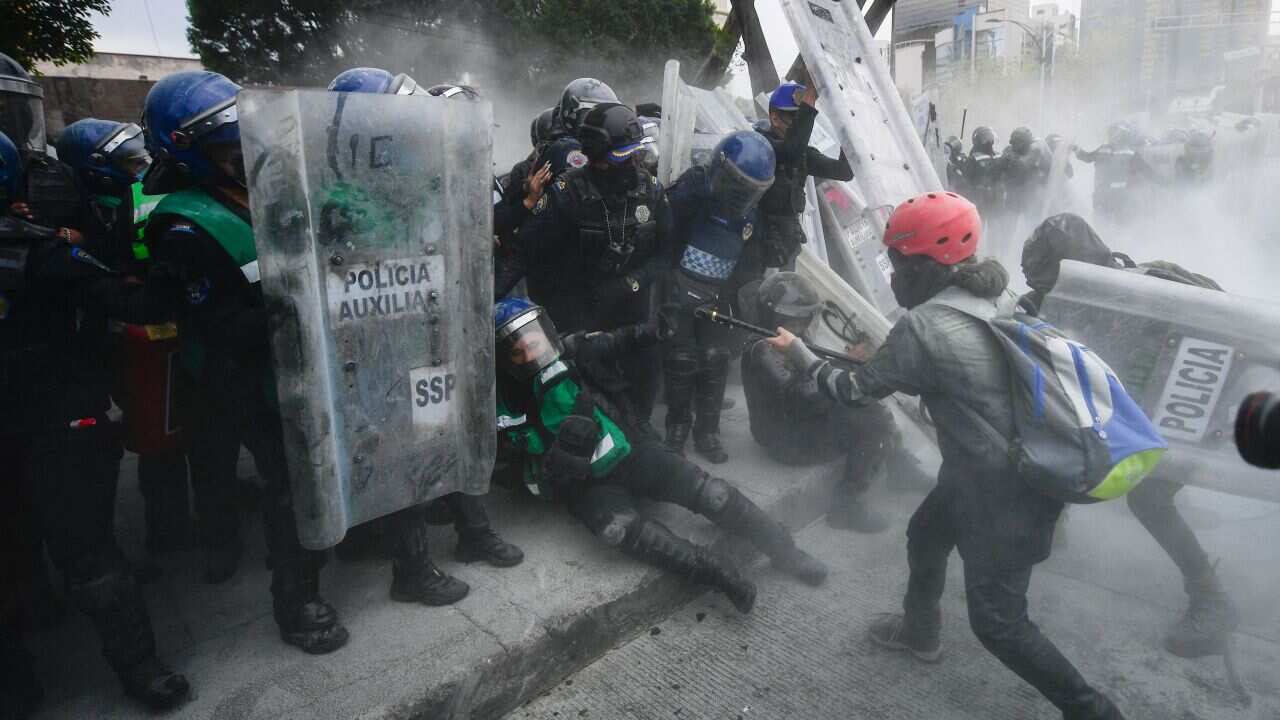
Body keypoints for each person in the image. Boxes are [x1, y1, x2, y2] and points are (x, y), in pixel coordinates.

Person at [766, 193, 1125, 720]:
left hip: (1005, 491)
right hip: (979, 470)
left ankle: (1094, 711)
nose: (893, 275)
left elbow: (851, 391)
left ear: (927, 264)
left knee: (999, 623)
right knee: (927, 534)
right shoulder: (997, 295)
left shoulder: (924, 327)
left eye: (898, 263)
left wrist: (799, 353)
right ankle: (919, 630)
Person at [142, 70, 349, 653]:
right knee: (270, 480)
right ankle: (295, 600)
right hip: (234, 375)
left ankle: (308, 558)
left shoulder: (263, 188)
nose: (243, 153)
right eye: (227, 147)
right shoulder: (183, 226)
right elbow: (218, 325)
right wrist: (296, 305)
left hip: (291, 360)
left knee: (300, 475)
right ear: (192, 151)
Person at [0, 129, 189, 712]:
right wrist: (174, 276)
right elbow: (132, 301)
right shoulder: (41, 252)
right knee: (90, 553)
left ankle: (24, 675)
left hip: (43, 421)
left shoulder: (41, 247)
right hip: (56, 423)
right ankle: (140, 668)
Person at [326, 67, 525, 606]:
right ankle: (411, 570)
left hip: (432, 334)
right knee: (399, 451)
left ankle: (473, 532)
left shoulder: (417, 182)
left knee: (446, 435)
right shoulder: (344, 199)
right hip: (382, 348)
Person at [494, 297, 828, 614]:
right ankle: (718, 573)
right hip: (587, 484)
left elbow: (618, 340)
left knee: (714, 494)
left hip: (633, 449)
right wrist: (551, 461)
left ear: (545, 332)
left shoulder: (575, 352)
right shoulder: (507, 403)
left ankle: (786, 551)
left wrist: (657, 329)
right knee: (616, 530)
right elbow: (512, 471)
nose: (530, 351)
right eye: (518, 350)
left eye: (533, 340)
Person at [1019, 213, 1238, 659]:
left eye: (1049, 285)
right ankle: (1051, 527)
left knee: (1148, 497)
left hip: (1204, 409)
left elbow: (1224, 342)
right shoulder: (1092, 294)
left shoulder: (1150, 291)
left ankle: (1212, 597)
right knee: (1062, 430)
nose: (1043, 295)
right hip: (1161, 410)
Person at [56, 118, 192, 561]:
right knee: (156, 436)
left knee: (184, 425)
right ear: (96, 170)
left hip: (165, 322)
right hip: (122, 338)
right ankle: (167, 536)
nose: (142, 166)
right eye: (130, 161)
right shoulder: (77, 216)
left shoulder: (145, 197)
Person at [507, 102, 672, 433]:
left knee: (642, 385)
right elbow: (524, 253)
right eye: (620, 156)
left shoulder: (650, 191)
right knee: (584, 404)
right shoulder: (566, 194)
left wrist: (631, 283)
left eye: (634, 153)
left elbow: (667, 255)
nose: (631, 163)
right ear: (596, 156)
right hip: (578, 314)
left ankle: (640, 436)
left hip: (631, 310)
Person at [741, 272, 916, 533]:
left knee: (868, 404)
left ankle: (901, 466)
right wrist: (848, 373)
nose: (801, 325)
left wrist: (847, 368)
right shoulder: (763, 349)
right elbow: (802, 396)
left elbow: (815, 370)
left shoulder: (787, 337)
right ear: (774, 316)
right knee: (872, 424)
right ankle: (846, 504)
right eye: (794, 320)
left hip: (799, 423)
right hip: (785, 441)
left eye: (803, 319)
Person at [662, 130, 775, 463]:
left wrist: (739, 303)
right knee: (681, 360)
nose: (741, 195)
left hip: (718, 297)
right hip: (680, 289)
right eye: (737, 185)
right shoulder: (692, 191)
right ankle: (677, 427)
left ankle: (707, 431)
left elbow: (749, 261)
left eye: (750, 190)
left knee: (715, 360)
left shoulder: (751, 214)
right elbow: (664, 234)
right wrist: (667, 287)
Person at [747, 81, 852, 271]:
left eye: (801, 119)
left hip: (784, 246)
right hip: (754, 245)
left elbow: (843, 172)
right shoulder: (761, 145)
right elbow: (789, 152)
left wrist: (848, 131)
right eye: (795, 120)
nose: (801, 128)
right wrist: (810, 97)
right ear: (775, 119)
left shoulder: (801, 153)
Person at [963, 126, 1002, 220]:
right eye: (987, 139)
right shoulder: (973, 158)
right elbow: (967, 179)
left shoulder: (998, 155)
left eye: (991, 139)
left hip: (996, 196)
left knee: (997, 221)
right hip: (981, 198)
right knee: (980, 221)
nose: (990, 142)